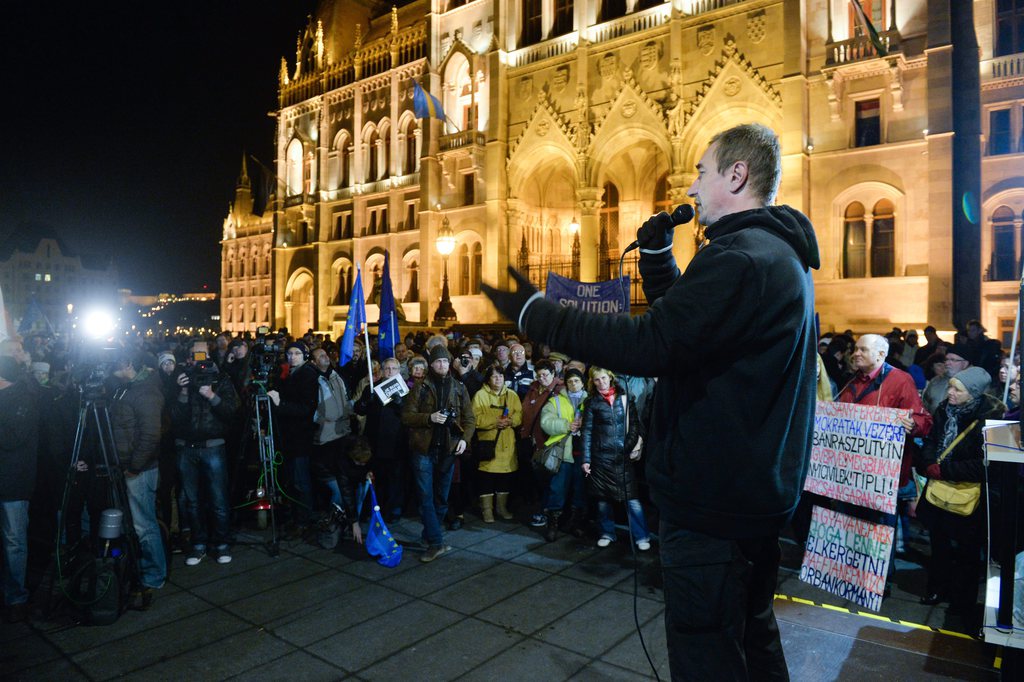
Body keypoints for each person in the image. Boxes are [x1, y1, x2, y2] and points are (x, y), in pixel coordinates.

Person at [482, 123, 819, 679]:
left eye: (701, 172)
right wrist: (660, 260)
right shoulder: (771, 255)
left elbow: (654, 343)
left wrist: (536, 315)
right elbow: (696, 331)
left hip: (714, 502)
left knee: (706, 650)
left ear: (738, 176)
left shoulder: (742, 259)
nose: (690, 188)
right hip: (749, 495)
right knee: (751, 635)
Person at [916, 367, 1005, 620]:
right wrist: (929, 461)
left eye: (957, 389)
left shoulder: (995, 418)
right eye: (951, 387)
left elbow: (989, 464)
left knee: (967, 553)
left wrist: (945, 470)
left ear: (974, 392)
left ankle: (962, 601)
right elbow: (932, 440)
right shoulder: (945, 409)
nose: (950, 392)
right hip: (939, 492)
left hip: (970, 497)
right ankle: (937, 588)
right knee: (939, 545)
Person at [401, 346, 476, 562]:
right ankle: (436, 542)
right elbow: (406, 416)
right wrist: (429, 418)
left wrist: (464, 439)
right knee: (425, 497)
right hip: (423, 449)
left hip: (448, 450)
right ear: (431, 364)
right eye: (438, 362)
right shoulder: (420, 387)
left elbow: (469, 419)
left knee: (442, 498)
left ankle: (428, 535)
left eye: (445, 361)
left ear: (449, 363)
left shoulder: (459, 387)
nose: (442, 365)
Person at [171, 339, 241, 566]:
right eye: (193, 355)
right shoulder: (182, 380)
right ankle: (198, 544)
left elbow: (232, 412)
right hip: (187, 448)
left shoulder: (221, 379)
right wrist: (182, 391)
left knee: (218, 499)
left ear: (209, 356)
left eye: (201, 355)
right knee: (192, 501)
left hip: (213, 447)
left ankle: (221, 544)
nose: (197, 360)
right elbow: (174, 418)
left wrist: (212, 396)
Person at [111, 350, 166, 608]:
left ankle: (153, 575)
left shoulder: (145, 392)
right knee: (136, 522)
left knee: (144, 524)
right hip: (127, 465)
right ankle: (138, 568)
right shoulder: (126, 388)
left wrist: (134, 466)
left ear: (128, 363)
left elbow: (150, 435)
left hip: (140, 469)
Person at [580, 367, 649, 549]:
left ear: (610, 378)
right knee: (603, 501)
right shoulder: (591, 403)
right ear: (592, 382)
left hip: (621, 457)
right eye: (597, 380)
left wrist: (625, 446)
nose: (601, 382)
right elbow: (586, 432)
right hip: (600, 458)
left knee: (632, 500)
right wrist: (586, 459)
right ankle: (607, 533)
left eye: (603, 378)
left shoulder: (625, 398)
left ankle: (642, 536)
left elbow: (634, 425)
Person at [0, 357, 38, 623]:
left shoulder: (23, 399)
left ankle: (16, 596)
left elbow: (13, 439)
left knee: (14, 541)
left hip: (13, 481)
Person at [267, 342, 320, 533]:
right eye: (290, 353)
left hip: (300, 436)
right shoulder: (290, 373)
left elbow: (306, 408)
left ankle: (303, 519)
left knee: (300, 480)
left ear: (305, 355)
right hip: (289, 436)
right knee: (291, 479)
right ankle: (296, 516)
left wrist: (280, 403)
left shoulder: (307, 374)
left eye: (297, 353)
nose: (292, 357)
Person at [472, 363, 522, 523]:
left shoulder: (512, 395)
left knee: (505, 477)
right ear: (488, 379)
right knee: (486, 477)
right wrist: (495, 421)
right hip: (488, 441)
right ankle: (487, 510)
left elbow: (520, 415)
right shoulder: (480, 395)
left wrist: (510, 421)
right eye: (494, 376)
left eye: (500, 376)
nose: (498, 379)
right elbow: (475, 419)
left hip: (507, 442)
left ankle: (501, 508)